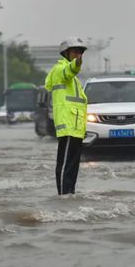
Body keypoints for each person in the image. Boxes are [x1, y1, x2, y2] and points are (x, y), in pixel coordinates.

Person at [45, 36, 88, 195]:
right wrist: (76, 64)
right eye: (75, 52)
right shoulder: (60, 70)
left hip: (76, 127)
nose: (78, 55)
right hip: (68, 125)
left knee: (72, 166)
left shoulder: (74, 79)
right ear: (66, 53)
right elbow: (68, 71)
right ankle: (63, 196)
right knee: (65, 165)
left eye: (80, 52)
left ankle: (70, 194)